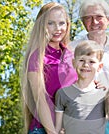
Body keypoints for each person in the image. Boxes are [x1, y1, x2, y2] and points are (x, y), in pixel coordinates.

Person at [21, 2, 77, 134]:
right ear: (42, 26)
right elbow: (40, 98)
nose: (57, 28)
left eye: (62, 23)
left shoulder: (72, 55)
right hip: (44, 129)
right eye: (50, 23)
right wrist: (52, 131)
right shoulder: (37, 56)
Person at [70, 0, 109, 87]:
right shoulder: (71, 49)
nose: (94, 22)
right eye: (88, 17)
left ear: (108, 20)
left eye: (99, 17)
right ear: (82, 21)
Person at [55, 40, 107, 134]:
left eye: (91, 61)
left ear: (100, 66)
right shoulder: (63, 93)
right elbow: (58, 129)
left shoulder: (105, 95)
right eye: (81, 60)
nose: (86, 65)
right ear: (74, 63)